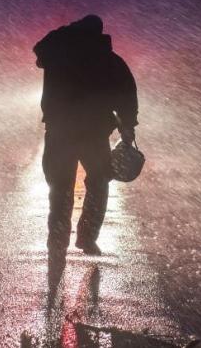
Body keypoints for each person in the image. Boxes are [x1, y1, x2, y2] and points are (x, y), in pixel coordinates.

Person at [33, 14, 138, 257]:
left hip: (60, 133)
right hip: (94, 134)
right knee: (99, 185)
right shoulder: (110, 60)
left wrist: (66, 30)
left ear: (75, 30)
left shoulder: (57, 56)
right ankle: (87, 238)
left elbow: (40, 50)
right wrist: (128, 127)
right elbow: (127, 95)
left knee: (60, 187)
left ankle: (58, 241)